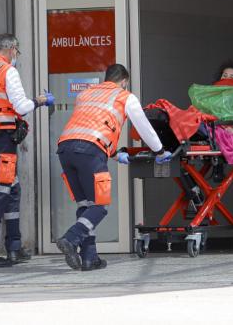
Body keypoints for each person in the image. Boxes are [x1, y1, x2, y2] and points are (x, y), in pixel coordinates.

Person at [56, 63, 171, 271]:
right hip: (90, 152)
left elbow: (91, 127)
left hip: (65, 149)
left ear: (106, 78)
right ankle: (71, 239)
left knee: (85, 205)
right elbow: (144, 127)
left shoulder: (85, 94)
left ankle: (89, 258)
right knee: (100, 206)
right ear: (124, 81)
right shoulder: (125, 96)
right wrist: (160, 151)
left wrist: (116, 154)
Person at [0, 33, 54, 269]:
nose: (16, 55)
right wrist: (40, 100)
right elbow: (22, 106)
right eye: (17, 51)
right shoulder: (7, 71)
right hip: (3, 139)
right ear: (11, 49)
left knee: (12, 188)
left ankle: (14, 247)